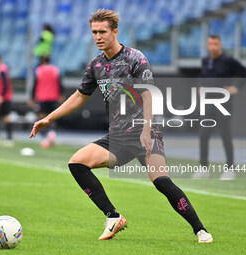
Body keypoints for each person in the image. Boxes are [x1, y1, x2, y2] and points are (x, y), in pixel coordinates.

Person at [30, 9, 213, 243]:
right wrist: (49, 118)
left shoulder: (135, 58)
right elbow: (79, 96)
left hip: (145, 131)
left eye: (102, 32)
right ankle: (112, 216)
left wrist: (147, 130)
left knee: (162, 182)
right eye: (94, 32)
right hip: (118, 137)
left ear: (115, 31)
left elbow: (149, 95)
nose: (98, 36)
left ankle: (200, 230)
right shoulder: (96, 65)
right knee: (77, 163)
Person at [193, 34, 246, 180]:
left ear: (220, 45)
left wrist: (236, 88)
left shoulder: (228, 60)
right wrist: (201, 87)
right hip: (208, 104)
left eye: (216, 44)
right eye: (211, 44)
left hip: (223, 103)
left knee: (225, 134)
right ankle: (203, 168)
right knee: (203, 135)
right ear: (207, 45)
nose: (213, 47)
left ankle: (230, 169)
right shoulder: (206, 60)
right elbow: (204, 77)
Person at [29, 56, 64, 146]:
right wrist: (61, 94)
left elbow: (35, 84)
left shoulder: (39, 70)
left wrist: (32, 97)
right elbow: (60, 83)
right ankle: (52, 134)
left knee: (42, 118)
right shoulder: (55, 70)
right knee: (52, 117)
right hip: (53, 97)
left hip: (42, 97)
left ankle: (44, 138)